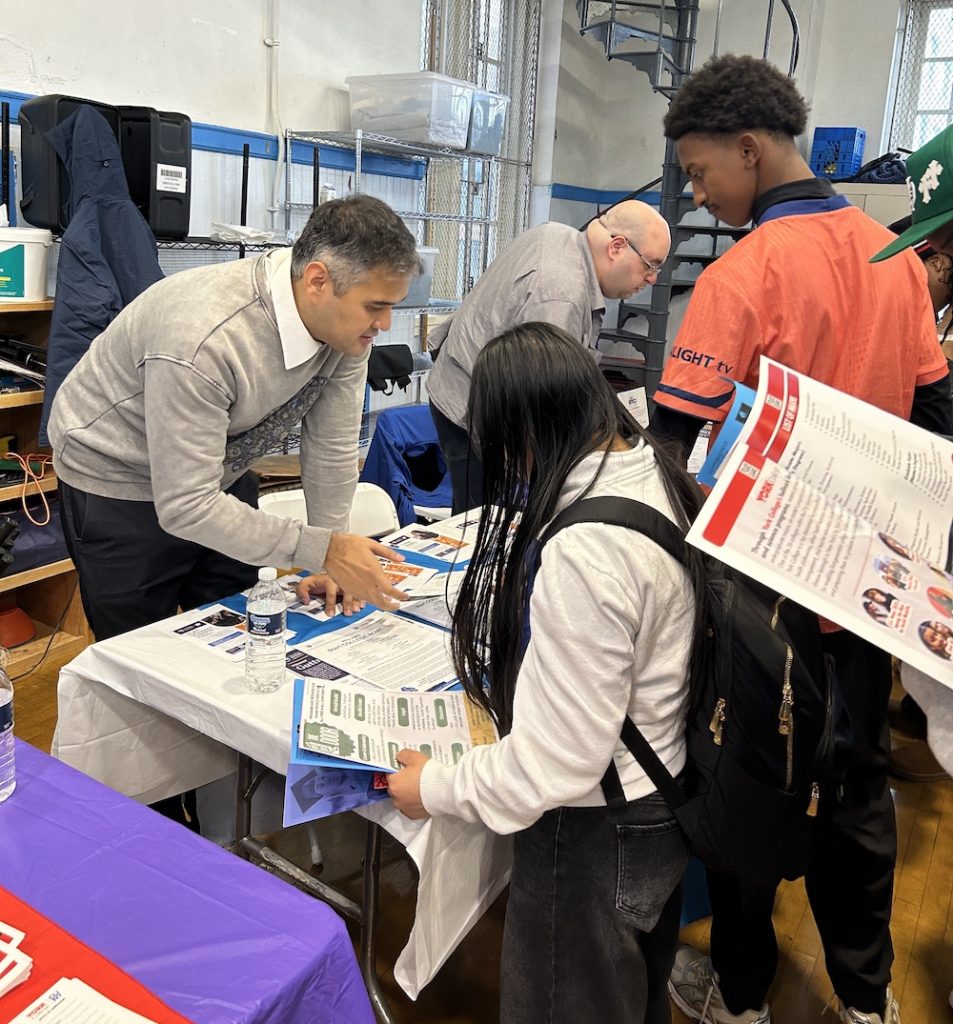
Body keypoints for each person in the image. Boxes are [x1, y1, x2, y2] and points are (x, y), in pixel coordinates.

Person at [649, 55, 952, 1024]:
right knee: (857, 797)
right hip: (866, 596)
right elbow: (935, 417)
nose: (698, 192)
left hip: (755, 609)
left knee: (746, 791)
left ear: (748, 149)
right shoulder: (893, 257)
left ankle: (737, 996)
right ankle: (866, 1000)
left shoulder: (742, 273)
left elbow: (669, 448)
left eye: (700, 172)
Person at [388, 322, 707, 1024]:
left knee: (568, 1000)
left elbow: (560, 763)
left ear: (524, 434)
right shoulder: (649, 471)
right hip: (659, 792)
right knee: (627, 994)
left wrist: (432, 788)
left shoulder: (584, 554)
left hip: (594, 830)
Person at [49, 194, 421, 645]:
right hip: (117, 481)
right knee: (143, 651)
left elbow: (332, 448)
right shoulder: (205, 337)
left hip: (218, 474)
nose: (383, 324)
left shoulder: (345, 330)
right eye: (375, 306)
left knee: (244, 629)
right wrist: (323, 548)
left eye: (391, 308)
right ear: (318, 280)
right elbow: (186, 505)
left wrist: (330, 556)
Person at [426, 200, 672, 512]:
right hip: (471, 406)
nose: (652, 279)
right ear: (617, 247)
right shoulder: (560, 298)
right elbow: (543, 410)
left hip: (462, 380)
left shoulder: (558, 234)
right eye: (650, 265)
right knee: (481, 524)